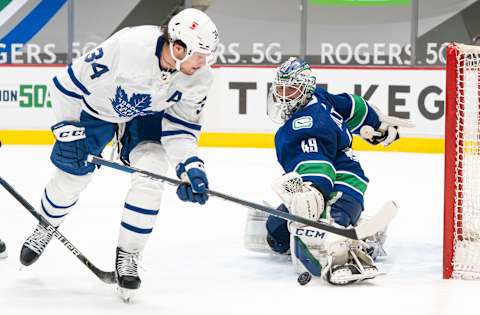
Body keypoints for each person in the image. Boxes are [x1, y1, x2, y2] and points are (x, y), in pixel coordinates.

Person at [19, 8, 219, 301]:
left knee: (153, 172)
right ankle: (45, 225)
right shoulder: (127, 47)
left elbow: (180, 129)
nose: (204, 62)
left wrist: (190, 167)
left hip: (145, 116)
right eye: (199, 54)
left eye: (208, 55)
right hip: (96, 110)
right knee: (70, 180)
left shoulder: (199, 79)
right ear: (178, 47)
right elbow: (67, 83)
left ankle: (129, 254)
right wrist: (65, 124)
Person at [244, 57, 411, 285]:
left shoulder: (305, 122)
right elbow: (352, 105)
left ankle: (349, 247)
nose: (283, 96)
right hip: (323, 180)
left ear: (305, 90)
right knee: (276, 233)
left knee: (324, 225)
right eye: (280, 89)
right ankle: (355, 228)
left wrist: (312, 189)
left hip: (344, 183)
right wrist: (376, 122)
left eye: (291, 90)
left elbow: (316, 161)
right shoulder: (319, 98)